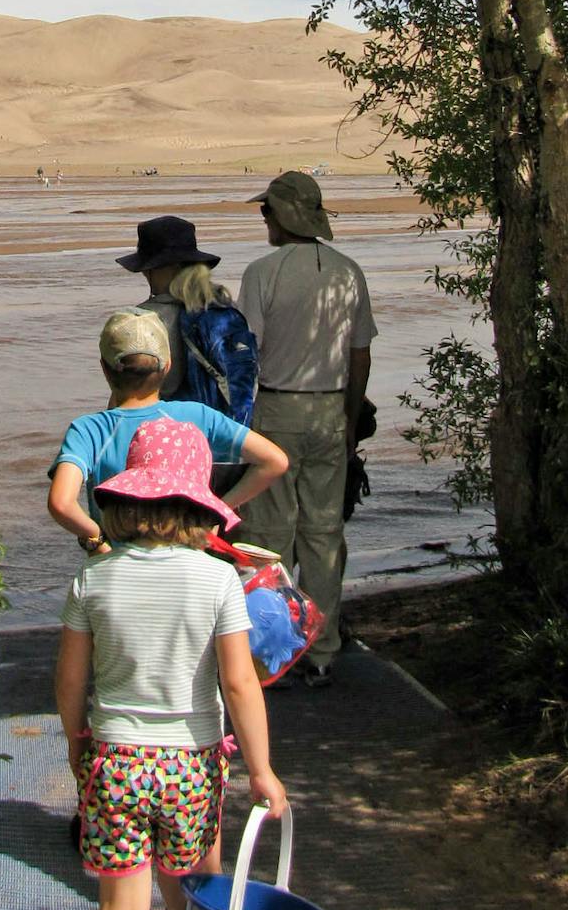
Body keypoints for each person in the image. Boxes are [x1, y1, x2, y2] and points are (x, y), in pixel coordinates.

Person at [56, 416, 288, 910]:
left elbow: (70, 683)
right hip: (191, 764)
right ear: (200, 503)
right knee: (192, 897)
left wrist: (76, 743)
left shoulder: (93, 579)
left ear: (128, 499)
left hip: (114, 763)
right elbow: (238, 683)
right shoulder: (218, 580)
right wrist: (262, 770)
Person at [235, 171, 376, 688]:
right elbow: (360, 355)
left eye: (266, 211)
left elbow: (246, 354)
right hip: (330, 411)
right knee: (323, 534)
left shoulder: (262, 272)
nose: (263, 219)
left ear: (282, 216)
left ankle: (271, 653)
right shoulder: (348, 271)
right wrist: (349, 417)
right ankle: (322, 649)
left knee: (267, 535)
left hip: (276, 411)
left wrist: (237, 422)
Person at [47, 310, 286, 548]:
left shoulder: (89, 430)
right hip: (185, 563)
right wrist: (219, 510)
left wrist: (97, 540)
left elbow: (61, 503)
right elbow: (275, 461)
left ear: (104, 368)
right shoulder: (197, 416)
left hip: (115, 564)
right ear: (168, 366)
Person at [116, 215, 257, 421]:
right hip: (226, 432)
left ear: (168, 267)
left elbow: (131, 394)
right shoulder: (224, 309)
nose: (145, 275)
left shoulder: (145, 318)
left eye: (149, 269)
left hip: (171, 437)